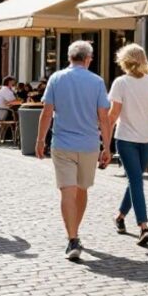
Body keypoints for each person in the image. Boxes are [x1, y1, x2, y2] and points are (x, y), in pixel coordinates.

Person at [36, 40, 111, 261]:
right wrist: (106, 146)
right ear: (88, 59)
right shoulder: (97, 82)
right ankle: (75, 234)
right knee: (82, 189)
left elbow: (47, 113)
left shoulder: (56, 78)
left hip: (62, 144)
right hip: (88, 145)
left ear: (69, 58)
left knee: (67, 191)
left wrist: (40, 140)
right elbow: (104, 117)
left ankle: (72, 237)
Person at [107, 44, 148, 246]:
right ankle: (143, 226)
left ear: (124, 61)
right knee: (137, 181)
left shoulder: (131, 82)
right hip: (130, 140)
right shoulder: (137, 82)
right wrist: (104, 141)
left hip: (143, 140)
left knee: (134, 181)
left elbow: (113, 115)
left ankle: (119, 216)